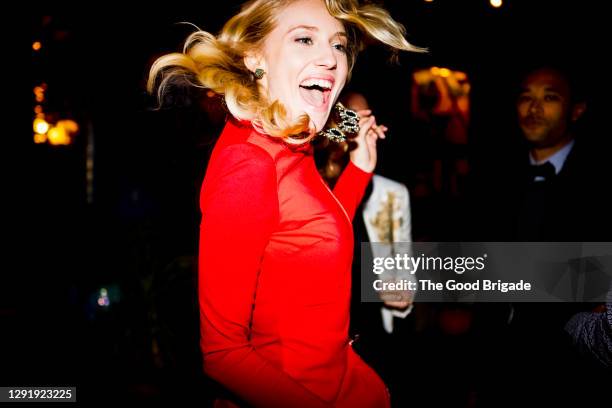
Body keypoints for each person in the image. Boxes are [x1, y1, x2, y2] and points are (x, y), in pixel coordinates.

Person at [148, 1, 422, 406]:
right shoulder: (249, 163)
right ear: (254, 56)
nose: (329, 58)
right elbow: (224, 354)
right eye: (305, 39)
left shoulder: (288, 141)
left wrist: (359, 170)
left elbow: (310, 239)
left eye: (339, 45)